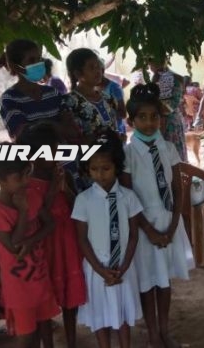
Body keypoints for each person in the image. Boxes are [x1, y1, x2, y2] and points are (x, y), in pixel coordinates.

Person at [122, 83, 194, 348]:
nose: (149, 122)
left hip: (168, 221)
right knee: (147, 281)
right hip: (143, 227)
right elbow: (128, 196)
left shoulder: (168, 148)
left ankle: (164, 329)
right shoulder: (128, 154)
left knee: (164, 280)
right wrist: (149, 230)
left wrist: (174, 223)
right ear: (131, 121)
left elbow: (177, 187)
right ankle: (152, 332)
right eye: (142, 117)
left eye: (154, 116)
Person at [17, 122, 86, 348]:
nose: (56, 156)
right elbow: (38, 217)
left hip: (67, 243)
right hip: (44, 248)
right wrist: (53, 190)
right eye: (50, 152)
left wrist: (65, 189)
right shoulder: (28, 185)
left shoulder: (63, 175)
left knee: (70, 297)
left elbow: (78, 207)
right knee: (44, 300)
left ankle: (72, 341)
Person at [73, 130, 143, 348]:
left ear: (116, 167)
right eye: (94, 169)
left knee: (123, 314)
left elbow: (134, 235)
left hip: (123, 267)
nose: (100, 174)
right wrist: (100, 270)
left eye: (106, 168)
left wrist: (124, 266)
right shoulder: (83, 200)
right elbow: (82, 239)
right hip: (97, 269)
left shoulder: (129, 198)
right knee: (100, 315)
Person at [0, 145, 58, 348]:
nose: (26, 181)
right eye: (19, 177)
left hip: (39, 278)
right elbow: (14, 246)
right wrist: (23, 212)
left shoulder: (31, 195)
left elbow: (50, 224)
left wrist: (32, 240)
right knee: (26, 335)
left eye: (27, 174)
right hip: (18, 288)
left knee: (45, 325)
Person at [0, 39, 80, 142]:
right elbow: (23, 135)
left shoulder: (52, 93)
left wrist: (44, 128)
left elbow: (71, 130)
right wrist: (56, 127)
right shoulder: (10, 98)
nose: (38, 64)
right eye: (31, 60)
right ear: (16, 67)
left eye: (39, 59)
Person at [64, 48, 120, 141]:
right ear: (78, 74)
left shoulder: (108, 98)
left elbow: (115, 128)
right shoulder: (69, 103)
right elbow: (72, 139)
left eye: (98, 66)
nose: (98, 71)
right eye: (91, 68)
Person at [146, 57, 187, 161]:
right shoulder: (155, 78)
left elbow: (171, 105)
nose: (150, 66)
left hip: (169, 124)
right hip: (159, 122)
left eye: (151, 63)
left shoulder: (175, 78)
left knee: (172, 157)